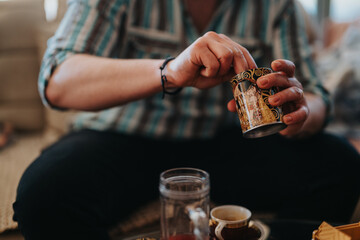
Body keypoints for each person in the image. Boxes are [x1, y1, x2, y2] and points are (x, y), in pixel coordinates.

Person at [13, 0, 360, 239]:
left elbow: (316, 96)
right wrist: (169, 71)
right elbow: (57, 79)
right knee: (44, 197)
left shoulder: (275, 4)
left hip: (225, 142)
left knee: (341, 164)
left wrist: (301, 111)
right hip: (121, 139)